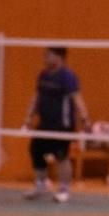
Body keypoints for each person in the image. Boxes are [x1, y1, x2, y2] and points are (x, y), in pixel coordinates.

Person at [21, 47, 90, 203]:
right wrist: (28, 118)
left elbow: (77, 98)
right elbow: (36, 97)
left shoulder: (67, 76)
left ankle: (64, 189)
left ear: (59, 57)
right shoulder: (43, 75)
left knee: (61, 157)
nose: (45, 58)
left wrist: (85, 119)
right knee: (35, 150)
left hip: (62, 125)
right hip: (44, 123)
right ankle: (41, 185)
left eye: (48, 55)